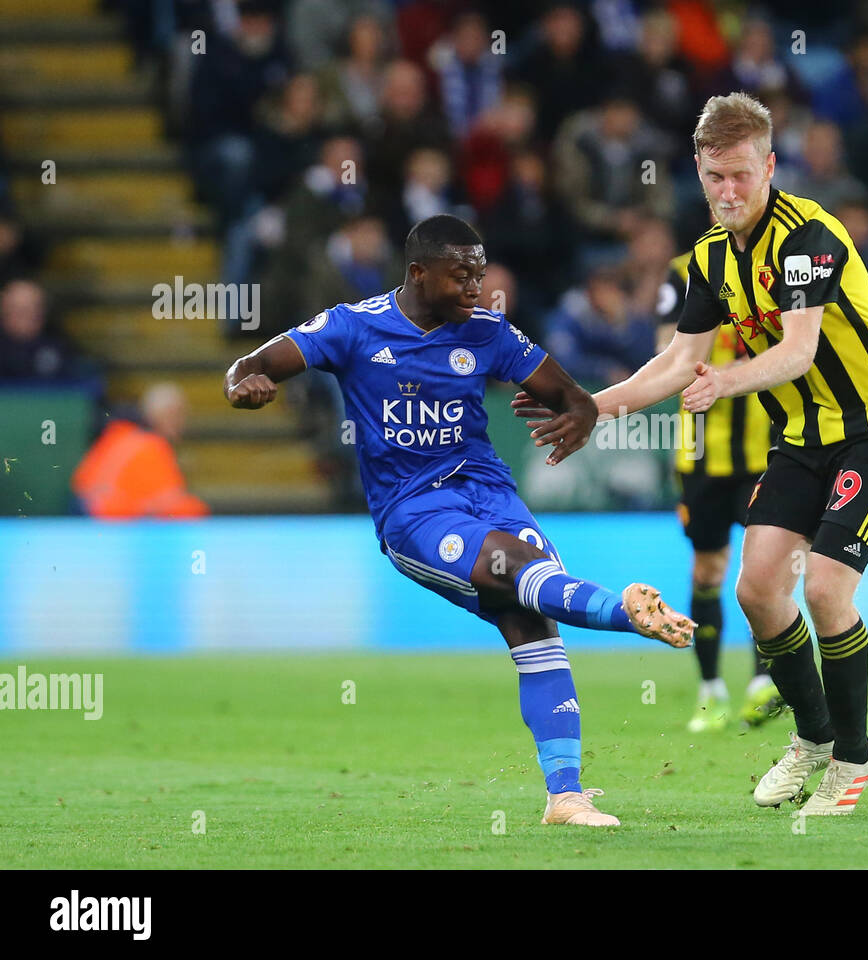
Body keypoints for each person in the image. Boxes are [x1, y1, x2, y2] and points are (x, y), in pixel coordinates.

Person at [518, 94, 868, 815]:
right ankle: (814, 740)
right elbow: (677, 362)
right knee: (756, 590)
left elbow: (797, 352)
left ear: (769, 166)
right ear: (699, 173)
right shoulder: (709, 257)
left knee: (827, 589)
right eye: (714, 177)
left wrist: (725, 384)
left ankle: (856, 760)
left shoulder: (810, 240)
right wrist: (591, 404)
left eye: (741, 174)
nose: (728, 192)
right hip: (803, 440)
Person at [223, 214, 694, 828]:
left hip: (489, 492)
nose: (476, 287)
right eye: (461, 275)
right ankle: (624, 609)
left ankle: (566, 796)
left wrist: (579, 417)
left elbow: (571, 396)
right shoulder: (352, 327)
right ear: (419, 274)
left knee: (535, 625)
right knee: (520, 570)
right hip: (415, 511)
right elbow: (249, 365)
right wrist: (247, 384)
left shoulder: (489, 333)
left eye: (479, 272)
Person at [657, 243, 780, 733]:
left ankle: (764, 682)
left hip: (765, 450)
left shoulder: (773, 266)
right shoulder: (682, 272)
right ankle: (710, 691)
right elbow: (668, 352)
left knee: (764, 565)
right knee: (708, 568)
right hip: (700, 455)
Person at [71, 383, 209, 518]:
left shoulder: (119, 434)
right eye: (175, 413)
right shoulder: (151, 446)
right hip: (103, 523)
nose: (180, 421)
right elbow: (176, 506)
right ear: (158, 415)